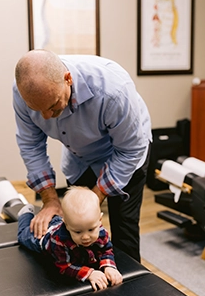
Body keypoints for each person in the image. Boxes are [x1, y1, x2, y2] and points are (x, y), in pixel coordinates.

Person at [13, 49, 152, 262]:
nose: (46, 117)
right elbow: (31, 145)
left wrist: (92, 203)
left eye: (52, 105)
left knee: (123, 227)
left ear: (68, 79)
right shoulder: (24, 92)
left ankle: (130, 288)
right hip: (79, 157)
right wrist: (50, 201)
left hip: (126, 154)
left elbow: (130, 149)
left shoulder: (113, 90)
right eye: (37, 109)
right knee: (75, 230)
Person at [17, 186, 123, 290]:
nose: (85, 237)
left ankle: (58, 220)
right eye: (78, 232)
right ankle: (25, 214)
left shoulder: (101, 231)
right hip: (45, 237)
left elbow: (106, 251)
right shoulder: (59, 241)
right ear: (66, 225)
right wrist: (89, 273)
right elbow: (64, 266)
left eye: (91, 230)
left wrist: (108, 266)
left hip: (64, 222)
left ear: (100, 220)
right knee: (23, 237)